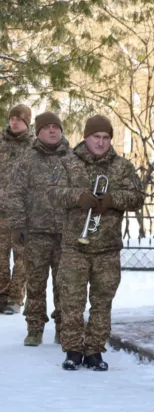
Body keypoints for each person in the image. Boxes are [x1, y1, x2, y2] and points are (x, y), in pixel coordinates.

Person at [50, 115, 144, 371]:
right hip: (74, 246)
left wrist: (113, 200)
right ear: (86, 137)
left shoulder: (122, 166)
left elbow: (137, 197)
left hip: (108, 248)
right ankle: (72, 350)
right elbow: (53, 192)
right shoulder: (68, 162)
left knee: (102, 302)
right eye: (96, 137)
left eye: (106, 138)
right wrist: (78, 196)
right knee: (72, 302)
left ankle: (94, 351)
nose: (101, 142)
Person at [9, 112, 69, 346]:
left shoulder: (72, 159)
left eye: (56, 127)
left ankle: (63, 327)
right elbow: (15, 193)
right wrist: (18, 225)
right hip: (36, 232)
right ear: (39, 131)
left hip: (66, 233)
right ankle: (34, 328)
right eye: (47, 127)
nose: (52, 131)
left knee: (64, 283)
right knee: (35, 282)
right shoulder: (27, 159)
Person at [0, 104, 34, 315]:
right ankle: (2, 296)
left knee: (22, 258)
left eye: (19, 119)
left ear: (27, 122)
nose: (14, 122)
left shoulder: (34, 147)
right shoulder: (1, 144)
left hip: (23, 214)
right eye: (12, 118)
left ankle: (15, 298)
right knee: (1, 257)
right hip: (1, 212)